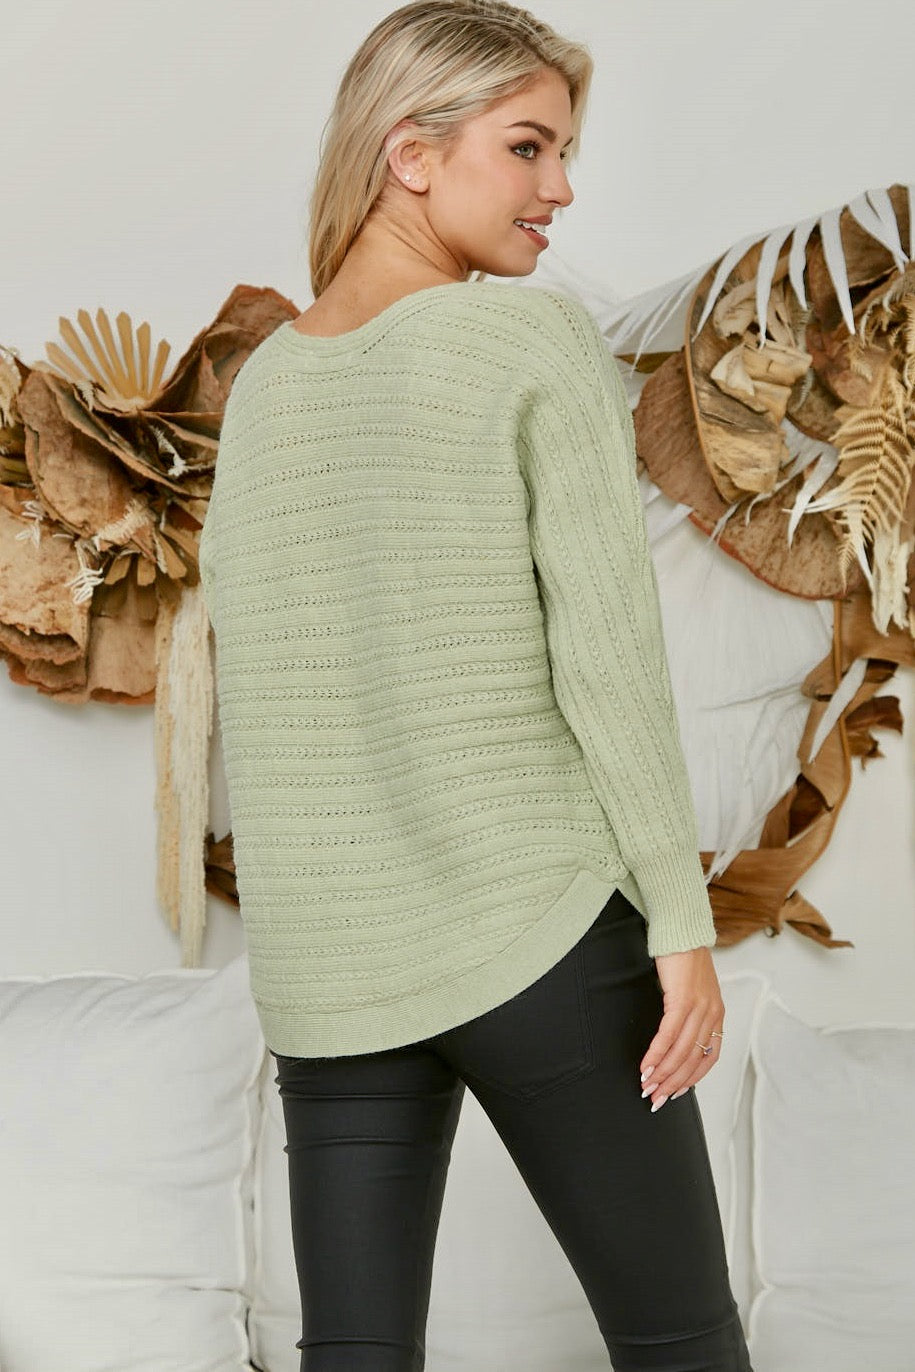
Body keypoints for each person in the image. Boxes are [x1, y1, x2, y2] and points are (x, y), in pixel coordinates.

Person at [198, 2, 753, 1369]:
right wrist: (679, 922)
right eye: (527, 146)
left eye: (562, 153)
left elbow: (264, 703)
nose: (559, 188)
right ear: (411, 154)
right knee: (682, 1345)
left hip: (330, 963)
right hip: (538, 933)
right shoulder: (526, 342)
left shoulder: (265, 391)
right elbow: (607, 660)